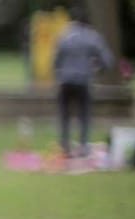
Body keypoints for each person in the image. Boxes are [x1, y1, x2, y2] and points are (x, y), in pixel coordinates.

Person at [53, 6, 114, 158]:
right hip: (83, 80)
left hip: (65, 81)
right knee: (84, 115)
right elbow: (107, 61)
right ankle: (83, 147)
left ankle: (65, 147)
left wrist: (61, 73)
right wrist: (96, 69)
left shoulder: (63, 35)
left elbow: (55, 61)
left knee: (64, 115)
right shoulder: (92, 36)